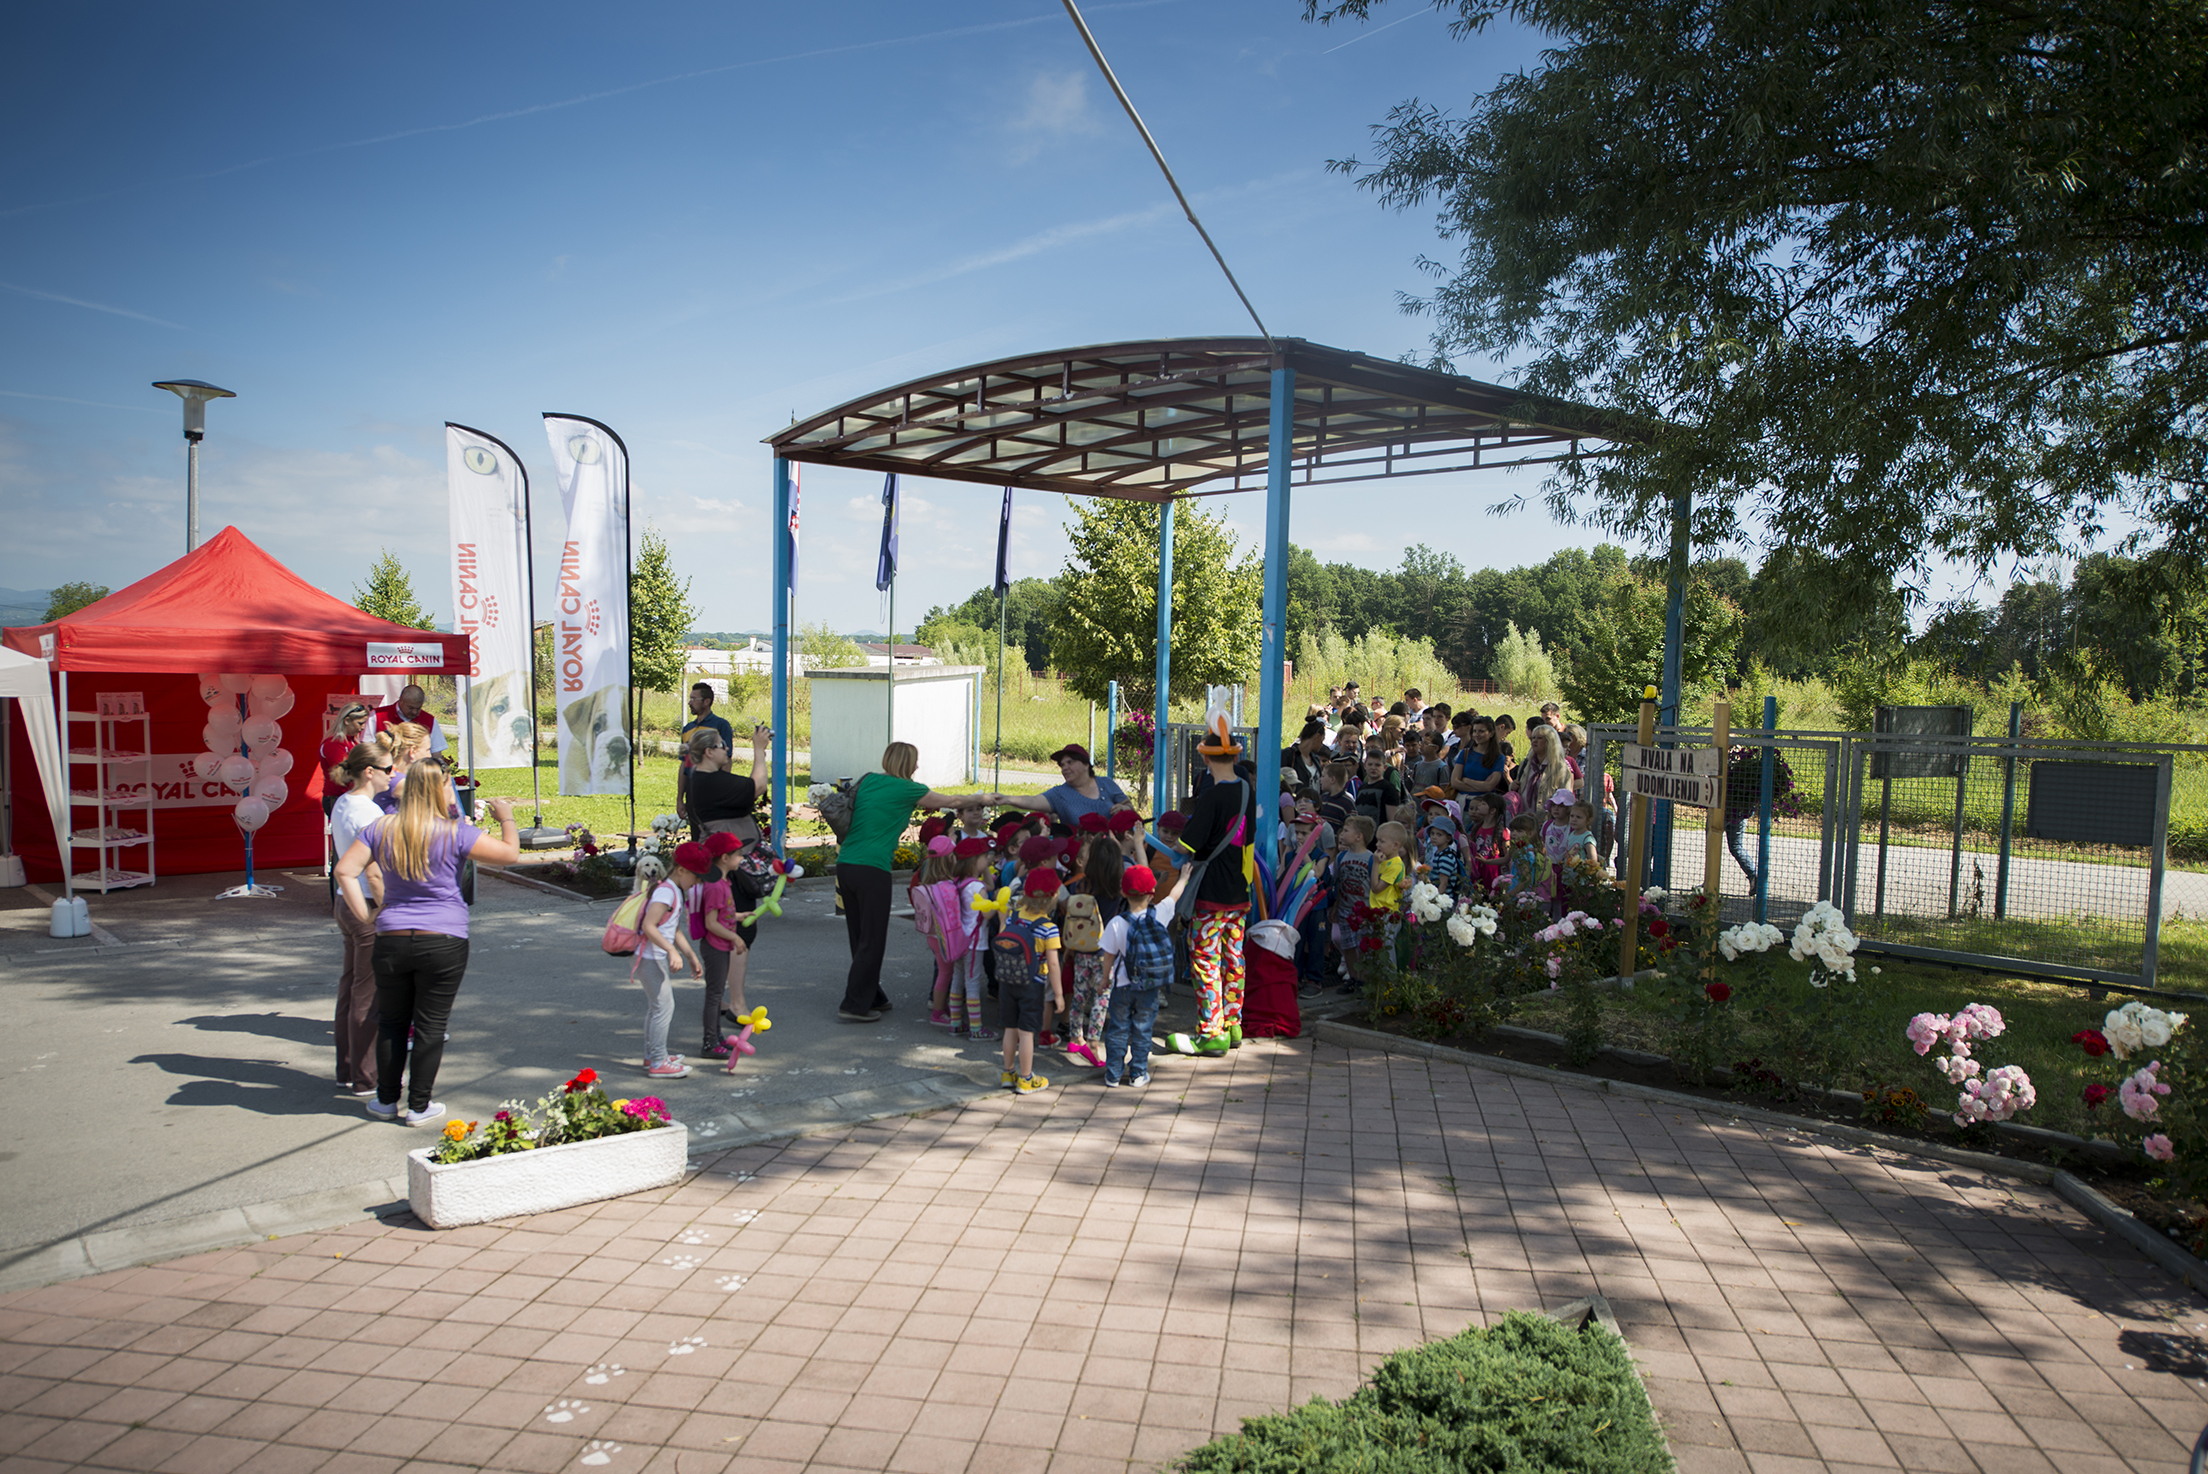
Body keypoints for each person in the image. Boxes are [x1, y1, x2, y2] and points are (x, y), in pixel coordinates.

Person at [334, 764, 518, 1127]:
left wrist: (367, 915)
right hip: (444, 937)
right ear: (440, 789)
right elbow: (510, 855)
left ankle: (386, 1100)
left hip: (392, 936)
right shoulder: (456, 832)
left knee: (392, 1022)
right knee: (431, 1025)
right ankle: (419, 1105)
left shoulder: (381, 827)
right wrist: (506, 818)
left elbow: (344, 870)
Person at [836, 742, 983, 1022]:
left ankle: (872, 995)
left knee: (859, 935)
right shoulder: (908, 789)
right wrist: (985, 798)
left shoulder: (869, 780)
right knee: (873, 939)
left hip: (846, 864)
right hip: (873, 868)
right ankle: (854, 1005)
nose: (917, 766)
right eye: (914, 761)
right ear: (906, 763)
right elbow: (951, 802)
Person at [1168, 716, 1254, 1057]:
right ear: (1236, 755)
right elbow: (1248, 839)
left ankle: (1210, 1032)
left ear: (1204, 756)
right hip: (1238, 892)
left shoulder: (1212, 796)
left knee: (1204, 961)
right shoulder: (1246, 790)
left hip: (1210, 895)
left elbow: (1187, 844)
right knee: (1234, 958)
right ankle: (1233, 1024)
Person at [329, 740, 393, 1097]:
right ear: (369, 772)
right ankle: (365, 1076)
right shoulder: (369, 812)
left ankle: (347, 1069)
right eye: (387, 769)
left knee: (350, 988)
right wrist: (385, 910)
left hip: (345, 901)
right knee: (367, 996)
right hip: (364, 902)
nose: (391, 776)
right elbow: (374, 872)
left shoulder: (343, 802)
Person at [1098, 863, 1186, 1088]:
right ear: (1152, 893)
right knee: (1143, 1028)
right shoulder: (1160, 914)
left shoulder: (1117, 923)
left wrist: (1104, 979)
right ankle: (1138, 1073)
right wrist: (1184, 877)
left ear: (1123, 892)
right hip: (1149, 986)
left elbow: (1108, 957)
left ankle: (1113, 1074)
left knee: (1118, 1028)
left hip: (1122, 986)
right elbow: (1174, 895)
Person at [635, 846, 705, 1079]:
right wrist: (671, 951)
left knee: (657, 1007)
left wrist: (690, 955)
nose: (697, 883)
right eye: (696, 877)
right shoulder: (666, 892)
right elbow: (649, 926)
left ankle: (653, 1055)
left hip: (652, 956)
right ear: (682, 870)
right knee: (663, 1008)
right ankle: (658, 1062)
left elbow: (672, 928)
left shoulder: (672, 890)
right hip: (650, 957)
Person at [993, 868, 1062, 1094]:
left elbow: (1002, 937)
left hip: (1007, 981)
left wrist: (1002, 918)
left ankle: (1008, 1072)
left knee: (1010, 1029)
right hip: (1032, 985)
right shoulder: (1049, 928)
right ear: (1054, 896)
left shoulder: (1013, 916)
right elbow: (1053, 965)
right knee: (1026, 1033)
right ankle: (1026, 1078)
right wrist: (1059, 995)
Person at [689, 836, 744, 1059]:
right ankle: (710, 1042)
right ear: (724, 858)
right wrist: (735, 938)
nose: (741, 858)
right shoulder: (715, 887)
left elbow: (722, 914)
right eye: (738, 855)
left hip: (720, 944)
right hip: (715, 946)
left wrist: (738, 916)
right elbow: (711, 923)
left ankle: (717, 1037)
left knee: (717, 992)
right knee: (714, 995)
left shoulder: (723, 883)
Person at [996, 744, 1129, 830]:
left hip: (1114, 851)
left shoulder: (1106, 783)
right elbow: (1032, 801)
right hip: (1079, 857)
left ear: (1086, 764)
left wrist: (1124, 809)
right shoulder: (1059, 794)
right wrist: (1006, 799)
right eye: (1062, 765)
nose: (1064, 768)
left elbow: (1129, 807)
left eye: (1070, 762)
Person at [685, 724, 773, 845]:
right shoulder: (710, 781)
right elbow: (759, 786)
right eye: (722, 745)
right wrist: (759, 749)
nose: (727, 748)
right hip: (731, 853)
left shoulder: (700, 777)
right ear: (709, 752)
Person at [675, 683, 737, 835]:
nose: (690, 702)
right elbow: (684, 764)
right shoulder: (687, 729)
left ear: (706, 701)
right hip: (693, 788)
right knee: (696, 835)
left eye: (694, 699)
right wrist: (680, 798)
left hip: (712, 786)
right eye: (690, 698)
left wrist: (722, 790)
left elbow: (727, 759)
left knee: (714, 834)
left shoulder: (720, 725)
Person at [321, 703, 371, 818]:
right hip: (337, 797)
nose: (363, 727)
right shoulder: (335, 744)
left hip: (347, 796)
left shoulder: (351, 741)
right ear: (347, 721)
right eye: (360, 723)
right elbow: (343, 774)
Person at [376, 685, 450, 756]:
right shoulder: (377, 716)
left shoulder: (430, 720)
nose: (414, 712)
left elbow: (436, 752)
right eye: (410, 708)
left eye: (418, 708)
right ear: (401, 700)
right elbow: (370, 748)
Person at [1451, 717, 1510, 804]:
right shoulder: (1465, 753)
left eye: (1481, 731)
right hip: (1463, 803)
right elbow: (1454, 782)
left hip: (1485, 804)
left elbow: (1489, 786)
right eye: (1475, 731)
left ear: (1491, 733)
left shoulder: (1499, 758)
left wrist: (1467, 781)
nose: (1477, 734)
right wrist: (1481, 786)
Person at [1281, 719, 1328, 788]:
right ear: (1317, 737)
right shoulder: (1288, 755)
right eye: (1322, 740)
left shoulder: (1316, 759)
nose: (1322, 745)